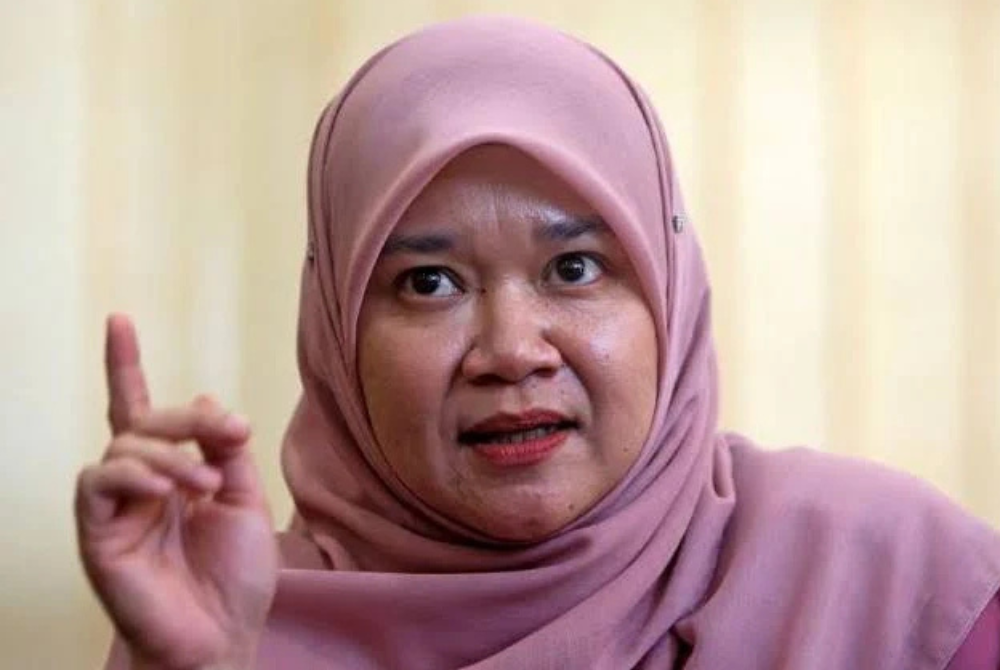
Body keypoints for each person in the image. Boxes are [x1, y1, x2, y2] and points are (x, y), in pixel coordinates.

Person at [74, 15, 1000, 670]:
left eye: (575, 268)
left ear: (670, 298)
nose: (512, 351)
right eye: (429, 283)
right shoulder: (230, 626)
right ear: (335, 336)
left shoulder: (889, 583)